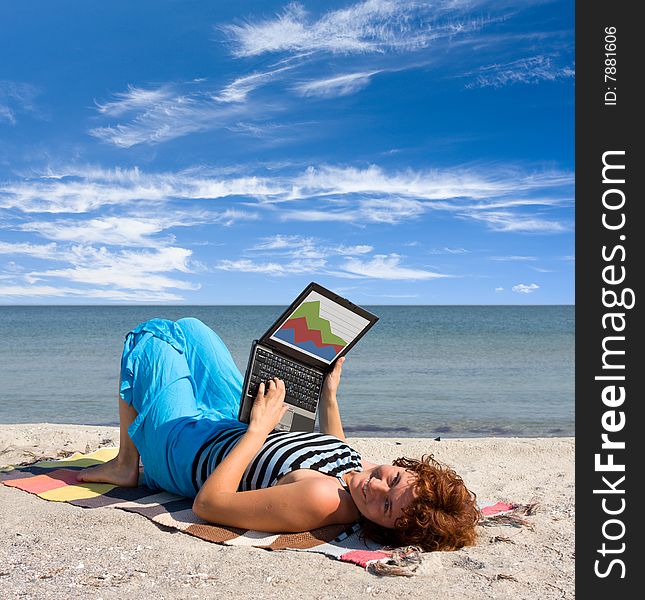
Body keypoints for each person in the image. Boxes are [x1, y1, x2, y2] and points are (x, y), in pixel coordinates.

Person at [78, 317, 479, 552]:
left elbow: (209, 505)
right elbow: (338, 450)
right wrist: (329, 396)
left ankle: (127, 463)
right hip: (233, 425)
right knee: (190, 329)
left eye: (385, 508)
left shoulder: (324, 500)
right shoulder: (363, 476)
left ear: (383, 529)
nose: (376, 487)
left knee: (150, 338)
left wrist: (259, 428)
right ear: (404, 468)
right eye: (391, 478)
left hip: (184, 452)